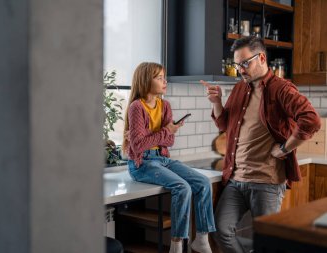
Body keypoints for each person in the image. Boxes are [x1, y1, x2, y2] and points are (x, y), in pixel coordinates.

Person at [202, 36, 321, 253]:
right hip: (236, 180)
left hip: (266, 182)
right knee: (221, 230)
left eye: (245, 63)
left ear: (262, 57)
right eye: (237, 65)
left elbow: (311, 119)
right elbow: (224, 124)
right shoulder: (240, 88)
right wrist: (217, 102)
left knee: (266, 240)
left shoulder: (281, 89)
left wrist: (286, 147)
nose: (240, 70)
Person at [122, 62, 216, 253]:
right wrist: (165, 131)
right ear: (146, 80)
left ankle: (202, 239)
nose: (165, 81)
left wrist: (158, 134)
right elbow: (139, 145)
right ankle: (176, 245)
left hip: (162, 158)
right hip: (142, 163)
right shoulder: (136, 107)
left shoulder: (165, 106)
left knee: (203, 182)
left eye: (165, 77)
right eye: (160, 77)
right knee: (182, 187)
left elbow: (169, 141)